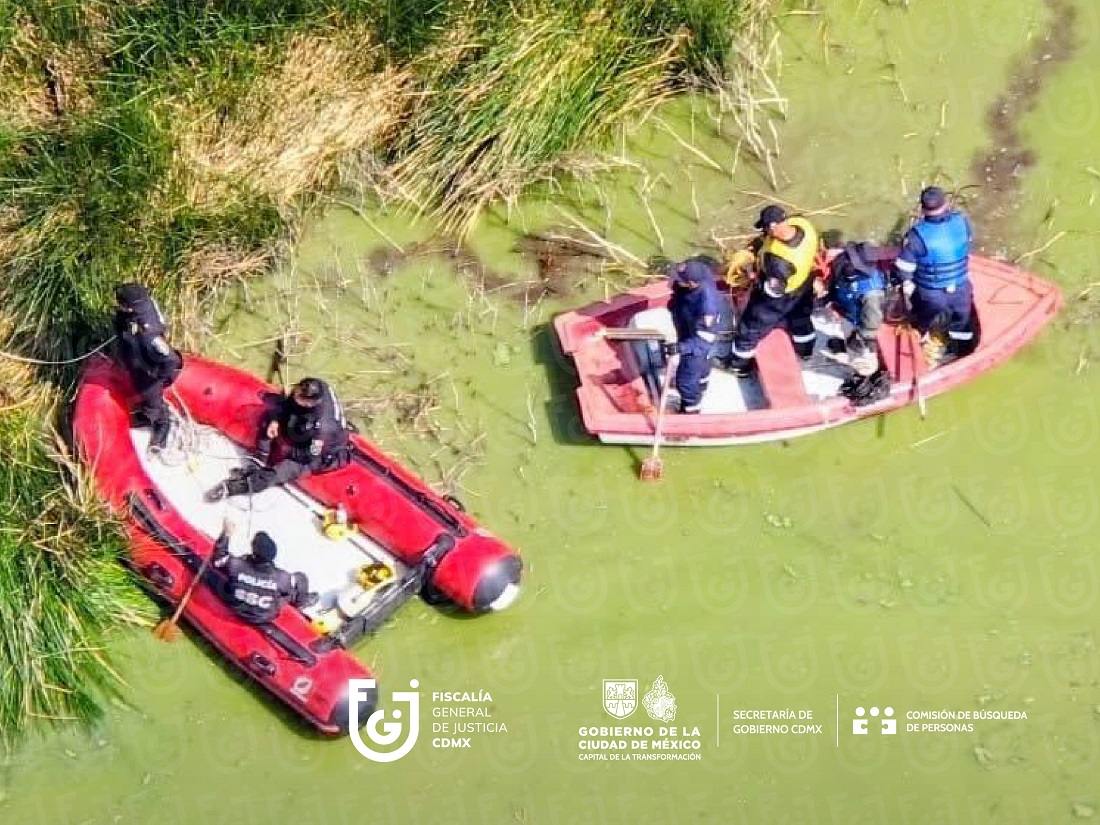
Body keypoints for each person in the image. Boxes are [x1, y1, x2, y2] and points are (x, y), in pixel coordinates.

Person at [205, 377, 352, 501]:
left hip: (315, 455)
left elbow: (309, 456)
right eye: (296, 393)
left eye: (299, 398)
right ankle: (256, 465)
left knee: (273, 475)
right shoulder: (312, 386)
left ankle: (231, 488)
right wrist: (275, 420)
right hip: (304, 425)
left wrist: (288, 451)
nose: (295, 396)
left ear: (310, 403)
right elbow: (289, 403)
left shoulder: (323, 429)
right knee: (268, 420)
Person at [722, 205, 821, 376]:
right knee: (801, 319)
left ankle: (739, 364)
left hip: (781, 297)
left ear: (773, 227)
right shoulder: (803, 225)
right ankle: (805, 351)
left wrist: (753, 278)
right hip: (804, 284)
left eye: (766, 228)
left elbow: (773, 291)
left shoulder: (778, 261)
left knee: (751, 326)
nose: (765, 231)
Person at [893, 186, 976, 364]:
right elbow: (968, 242)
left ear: (922, 209)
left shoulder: (916, 236)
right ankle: (962, 351)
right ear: (946, 204)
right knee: (962, 320)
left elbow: (904, 267)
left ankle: (921, 340)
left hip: (931, 293)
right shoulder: (962, 221)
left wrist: (905, 285)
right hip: (961, 288)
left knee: (922, 318)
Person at [113, 283, 184, 454]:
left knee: (151, 399)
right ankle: (147, 410)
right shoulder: (144, 305)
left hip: (148, 372)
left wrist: (157, 377)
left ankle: (162, 424)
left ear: (130, 307)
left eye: (120, 302)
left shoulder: (149, 336)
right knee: (140, 387)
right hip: (136, 358)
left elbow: (170, 360)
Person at [211, 518, 317, 624]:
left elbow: (217, 560)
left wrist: (226, 534)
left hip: (236, 606)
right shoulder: (283, 578)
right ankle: (300, 603)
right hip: (264, 616)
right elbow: (288, 589)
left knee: (225, 574)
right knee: (300, 578)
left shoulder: (236, 565)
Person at [662, 257, 722, 414]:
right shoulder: (700, 271)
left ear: (693, 284)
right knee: (701, 368)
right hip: (687, 326)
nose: (673, 280)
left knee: (685, 381)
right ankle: (701, 384)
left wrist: (680, 348)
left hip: (697, 342)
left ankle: (691, 409)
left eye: (679, 280)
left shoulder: (707, 308)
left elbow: (703, 341)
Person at [820, 241, 887, 375]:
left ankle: (863, 374)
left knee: (861, 355)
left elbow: (872, 321)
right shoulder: (843, 263)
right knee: (847, 334)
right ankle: (848, 345)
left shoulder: (872, 292)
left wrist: (860, 337)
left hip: (859, 324)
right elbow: (835, 282)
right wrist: (829, 299)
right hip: (846, 311)